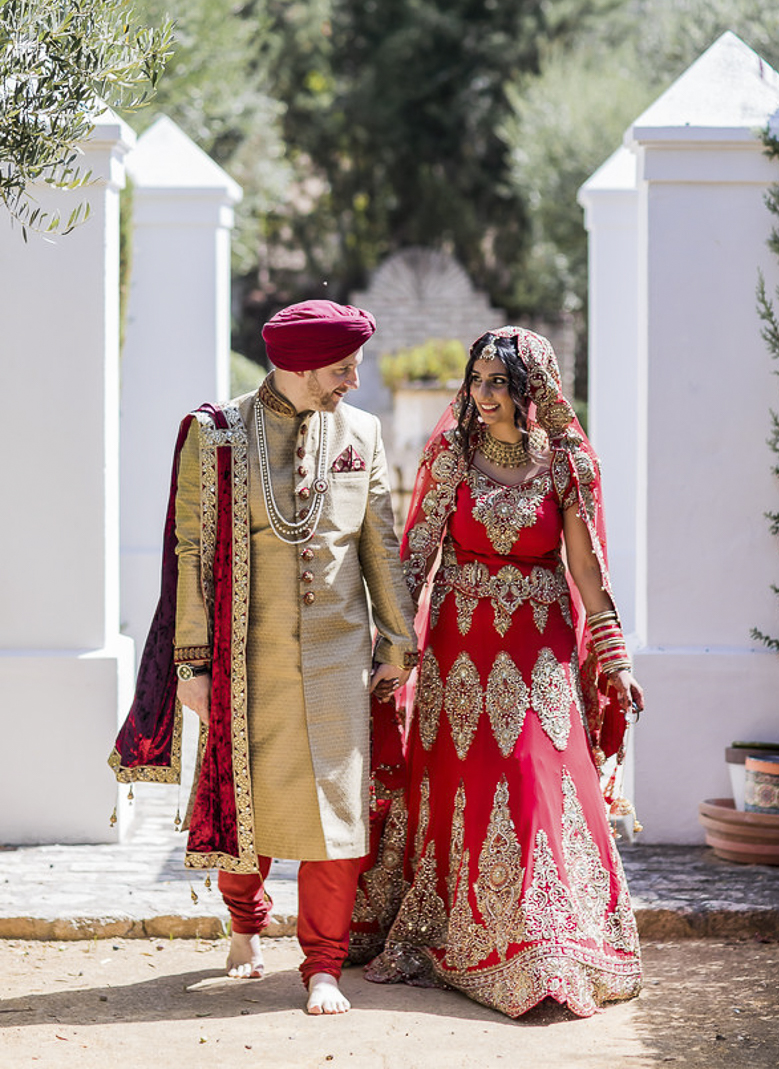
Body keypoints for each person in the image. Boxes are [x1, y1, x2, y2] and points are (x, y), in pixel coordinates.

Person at [110, 300, 418, 1015]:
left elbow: (381, 545)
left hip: (339, 661)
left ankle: (322, 966)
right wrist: (192, 666)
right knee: (242, 813)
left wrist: (398, 641)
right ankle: (245, 926)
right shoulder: (217, 435)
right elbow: (190, 554)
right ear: (302, 362)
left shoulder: (361, 432)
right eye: (342, 367)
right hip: (246, 665)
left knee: (336, 821)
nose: (353, 380)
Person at [360, 327, 645, 1018]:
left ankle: (553, 947)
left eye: (498, 382)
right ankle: (463, 939)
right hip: (462, 658)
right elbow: (415, 554)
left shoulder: (566, 464)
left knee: (536, 778)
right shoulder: (453, 455)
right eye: (477, 379)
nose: (482, 394)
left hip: (537, 655)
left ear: (531, 390)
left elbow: (584, 567)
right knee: (473, 789)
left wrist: (613, 654)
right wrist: (393, 648)